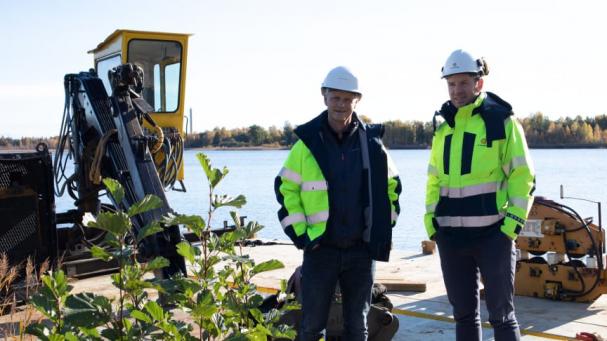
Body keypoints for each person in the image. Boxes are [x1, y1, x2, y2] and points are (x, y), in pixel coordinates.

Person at [274, 66, 402, 340]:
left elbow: (393, 188)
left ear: (357, 101)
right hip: (321, 251)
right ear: (325, 97)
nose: (341, 105)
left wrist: (380, 229)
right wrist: (304, 236)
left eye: (347, 99)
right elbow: (286, 189)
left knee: (358, 328)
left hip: (360, 253)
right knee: (311, 327)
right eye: (336, 98)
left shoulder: (372, 144)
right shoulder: (307, 145)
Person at [424, 49, 535, 341]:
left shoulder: (502, 122)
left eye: (463, 83)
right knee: (463, 315)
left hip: (493, 237)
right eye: (451, 84)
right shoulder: (443, 128)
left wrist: (511, 226)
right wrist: (431, 223)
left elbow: (523, 176)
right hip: (451, 238)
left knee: (502, 315)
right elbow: (434, 179)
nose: (457, 90)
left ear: (478, 83)